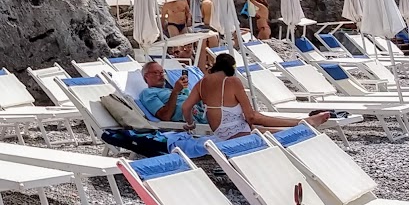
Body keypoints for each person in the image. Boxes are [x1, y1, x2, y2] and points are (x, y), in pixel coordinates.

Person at [181, 53, 332, 141]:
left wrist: (190, 124)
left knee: (260, 127)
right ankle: (303, 122)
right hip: (237, 134)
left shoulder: (201, 83)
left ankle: (304, 122)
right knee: (260, 120)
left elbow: (186, 107)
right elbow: (251, 117)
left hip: (221, 133)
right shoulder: (232, 81)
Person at [137, 60, 196, 124]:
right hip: (192, 120)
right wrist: (175, 91)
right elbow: (165, 116)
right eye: (156, 72)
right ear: (146, 76)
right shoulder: (147, 93)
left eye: (162, 72)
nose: (161, 75)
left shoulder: (168, 90)